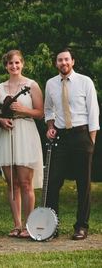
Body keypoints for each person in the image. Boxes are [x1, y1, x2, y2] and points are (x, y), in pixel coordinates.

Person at [44, 47, 100, 240]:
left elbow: (93, 112)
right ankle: (52, 226)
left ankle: (81, 226)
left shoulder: (85, 82)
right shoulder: (50, 84)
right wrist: (50, 126)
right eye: (60, 60)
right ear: (56, 63)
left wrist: (91, 140)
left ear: (73, 61)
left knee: (83, 184)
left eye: (66, 60)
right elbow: (48, 109)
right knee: (52, 182)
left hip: (81, 135)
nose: (63, 63)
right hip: (60, 137)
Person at [0, 50, 43, 238]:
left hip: (26, 132)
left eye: (17, 63)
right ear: (6, 66)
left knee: (25, 182)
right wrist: (0, 121)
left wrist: (24, 109)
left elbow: (40, 113)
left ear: (22, 64)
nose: (14, 66)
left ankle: (29, 226)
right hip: (6, 133)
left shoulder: (32, 85)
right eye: (10, 64)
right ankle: (17, 225)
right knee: (11, 183)